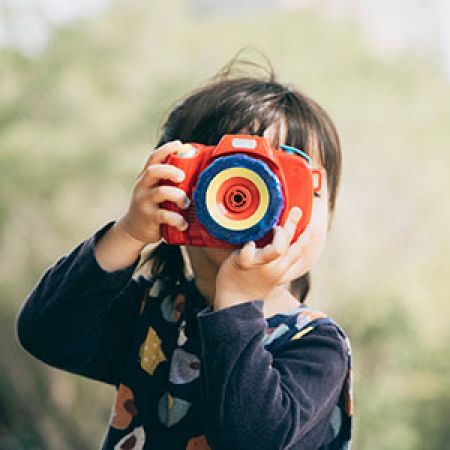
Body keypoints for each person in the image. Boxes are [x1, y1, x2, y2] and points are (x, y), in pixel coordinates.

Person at [16, 55, 353, 450]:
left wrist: (238, 302)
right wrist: (129, 233)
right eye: (237, 177)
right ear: (176, 188)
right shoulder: (154, 315)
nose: (262, 203)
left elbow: (254, 441)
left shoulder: (314, 345)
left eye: (292, 181)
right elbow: (46, 332)